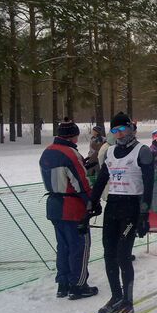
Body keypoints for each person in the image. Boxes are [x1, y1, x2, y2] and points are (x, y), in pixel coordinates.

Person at [88, 112, 154, 313]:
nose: (119, 133)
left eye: (122, 129)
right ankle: (116, 296)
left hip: (131, 208)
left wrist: (144, 214)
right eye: (114, 130)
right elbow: (101, 180)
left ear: (131, 129)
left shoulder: (142, 152)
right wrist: (92, 202)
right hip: (113, 206)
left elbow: (149, 185)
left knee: (123, 255)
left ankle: (128, 302)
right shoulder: (110, 152)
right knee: (109, 254)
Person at [39, 118, 98, 299]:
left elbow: (59, 176)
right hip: (72, 207)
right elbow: (81, 183)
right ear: (73, 136)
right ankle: (78, 285)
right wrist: (92, 202)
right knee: (79, 246)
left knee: (63, 246)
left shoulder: (47, 152)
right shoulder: (70, 154)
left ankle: (63, 283)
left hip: (54, 205)